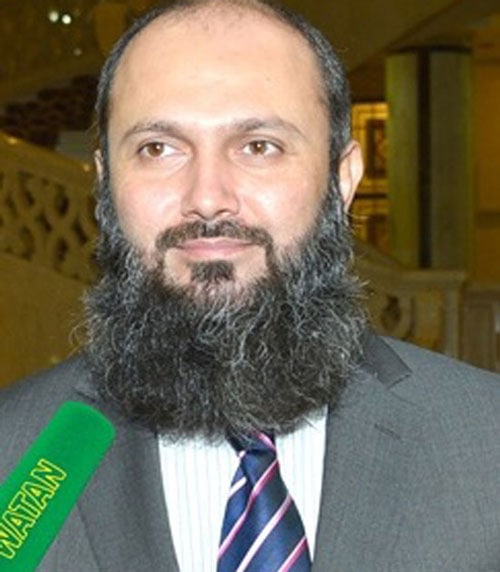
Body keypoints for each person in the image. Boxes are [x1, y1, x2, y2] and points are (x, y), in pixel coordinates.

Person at [2, 1, 500, 570]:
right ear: (105, 184)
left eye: (259, 146)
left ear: (342, 179)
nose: (207, 196)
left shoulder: (486, 445)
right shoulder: (14, 454)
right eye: (158, 149)